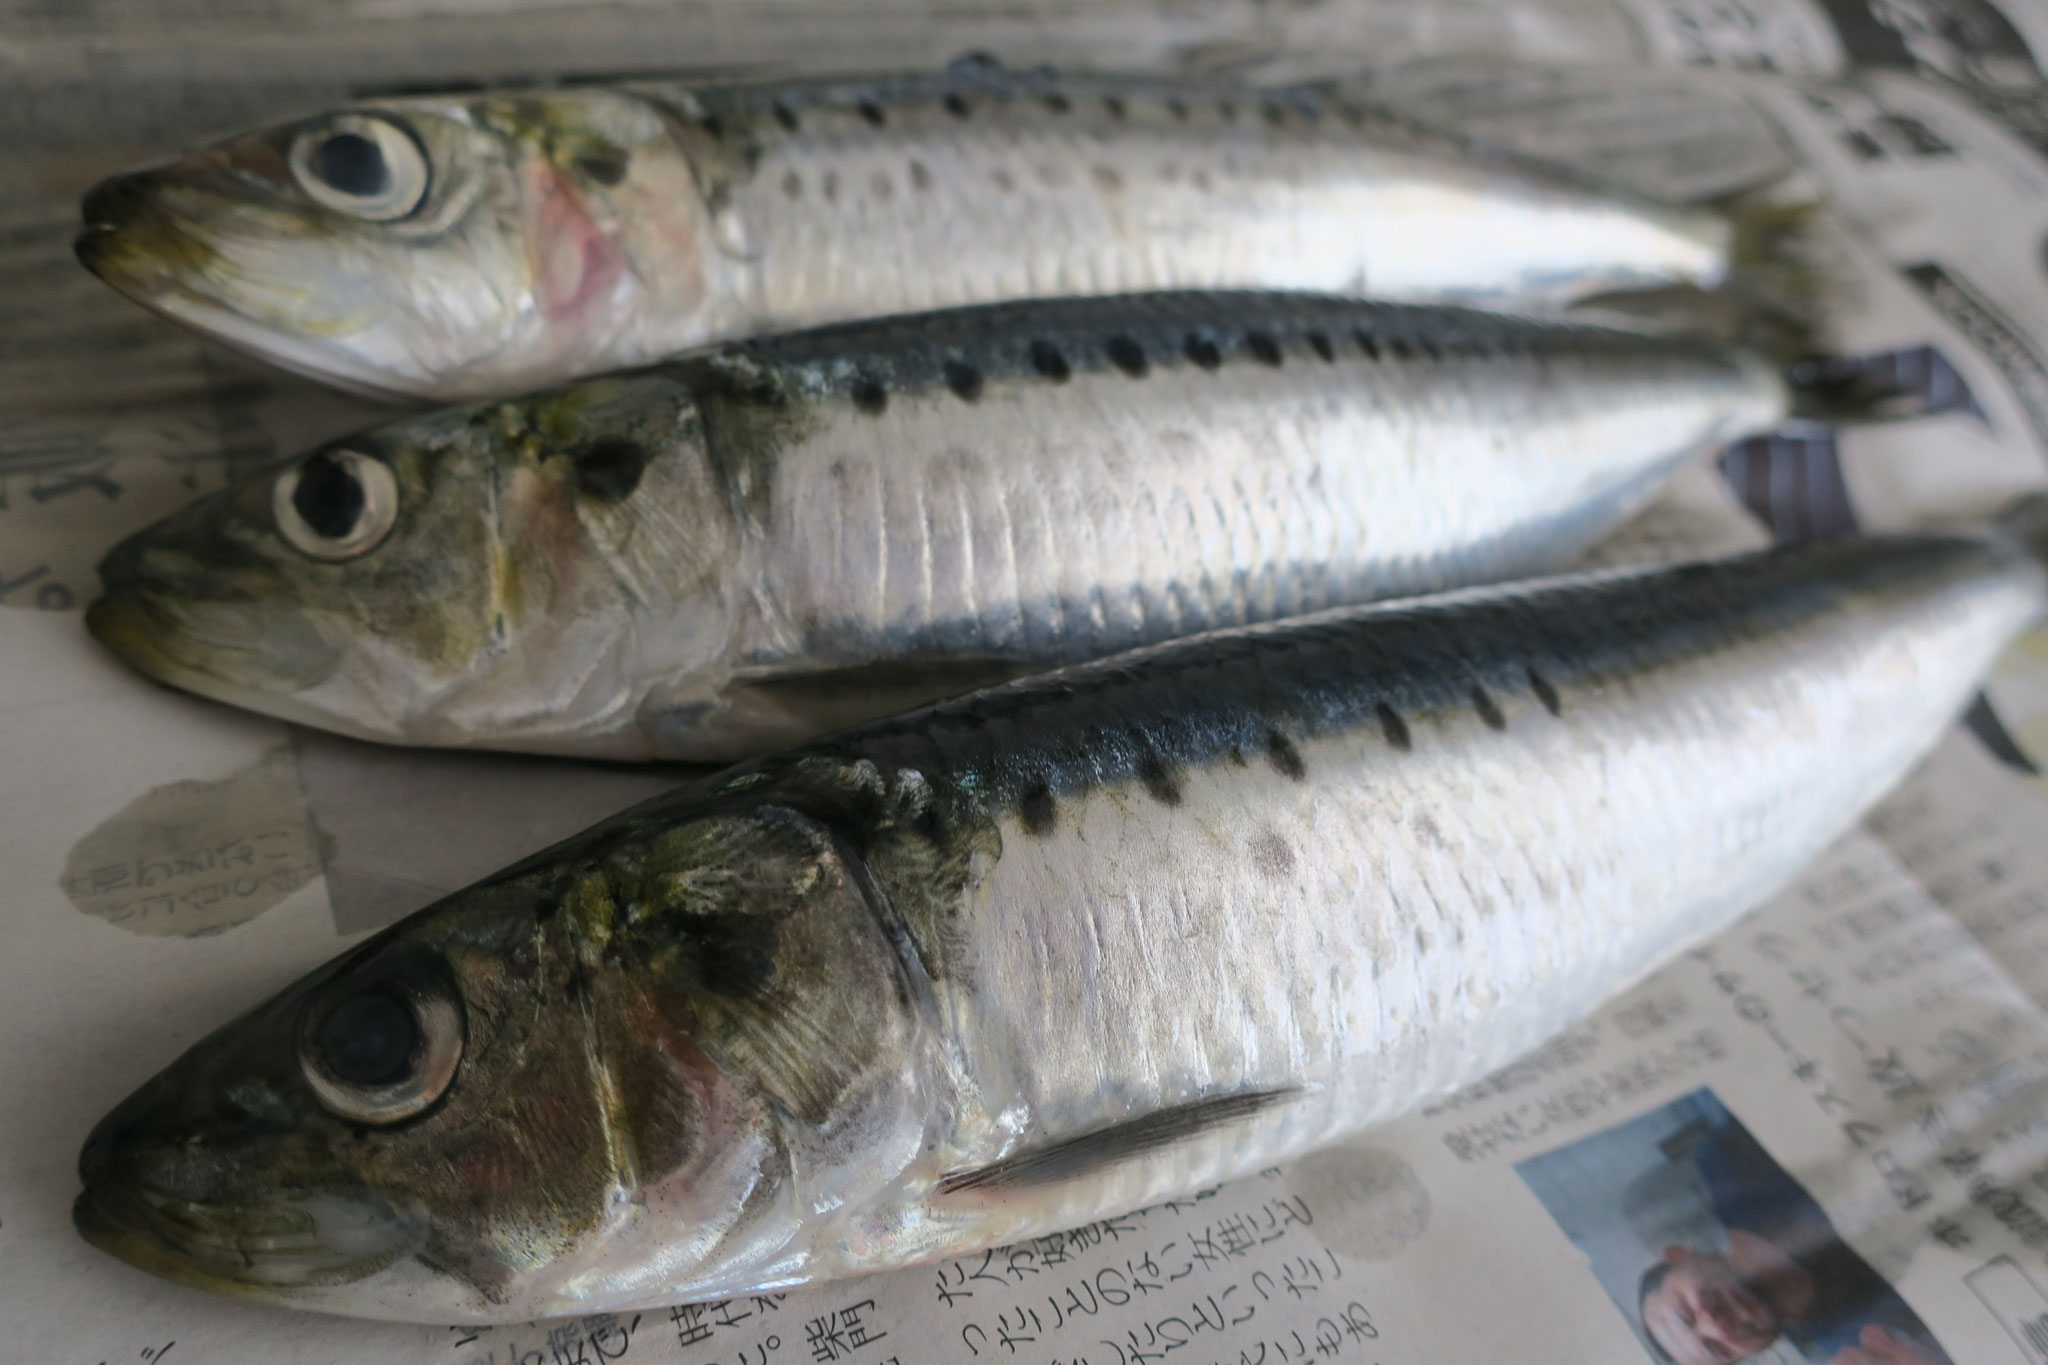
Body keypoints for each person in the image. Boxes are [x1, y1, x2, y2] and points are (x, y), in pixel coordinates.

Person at [1635, 1106, 1951, 1365]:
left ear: (1679, 1254)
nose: (1716, 1326)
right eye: (1718, 1350)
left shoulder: (1730, 1164)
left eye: (1685, 1313)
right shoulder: (1865, 1339)